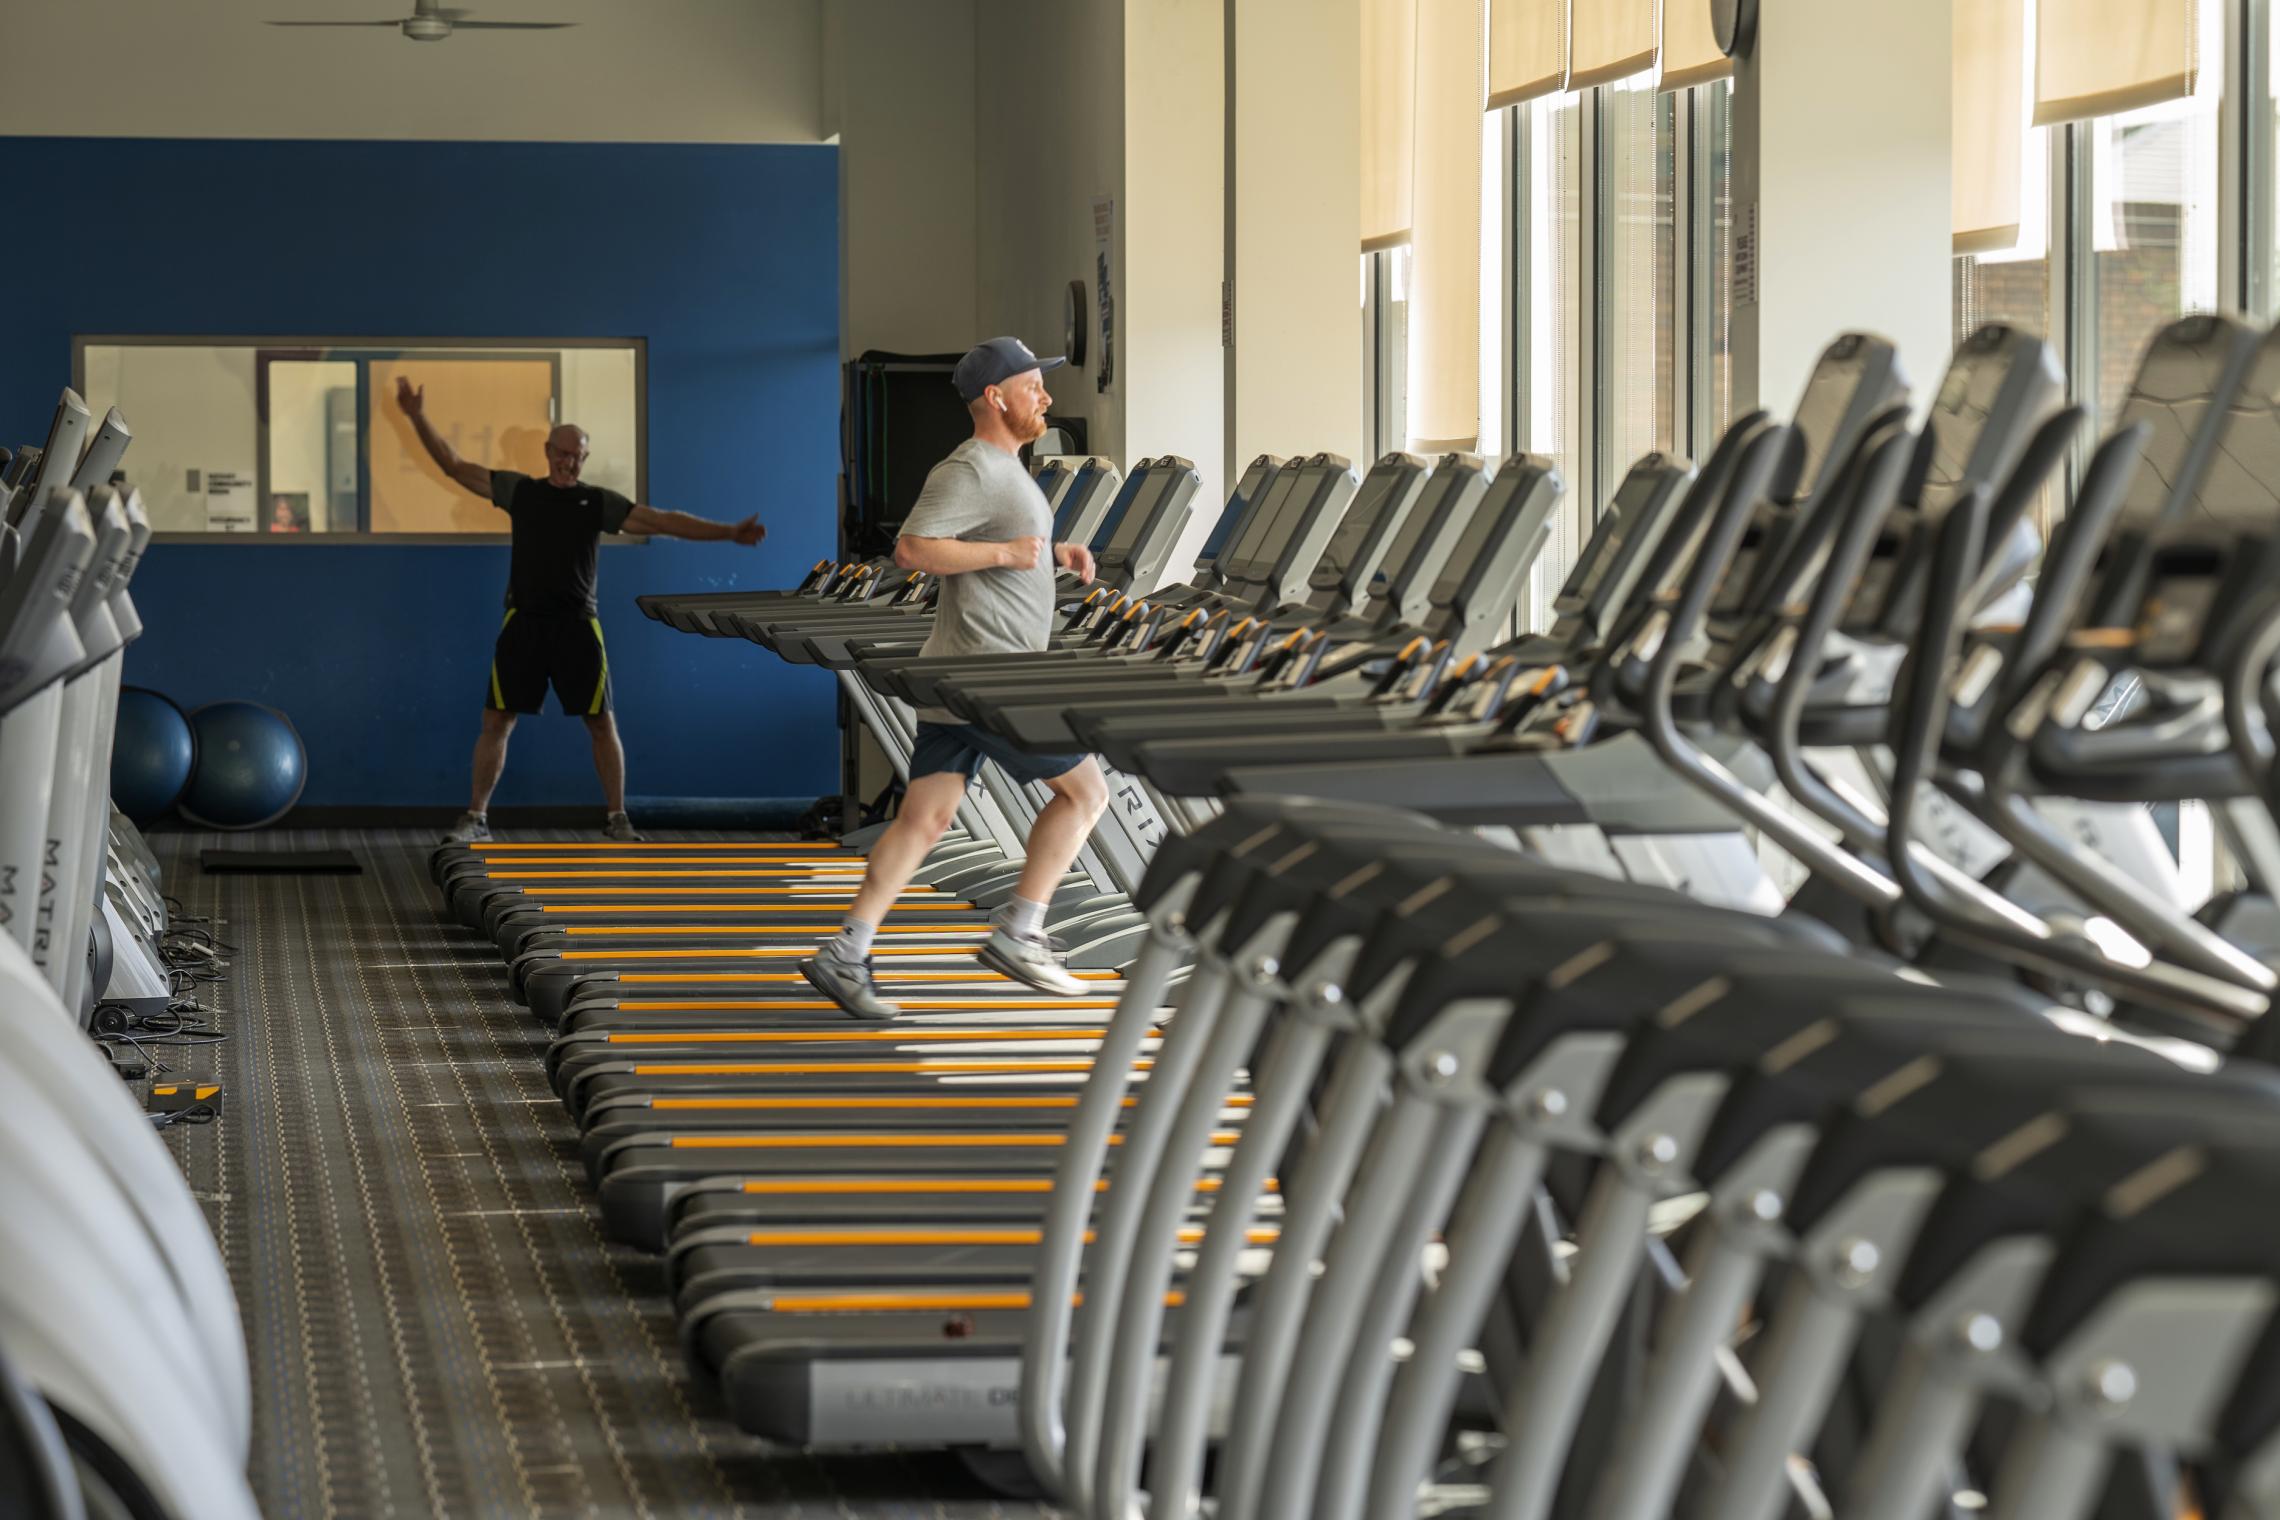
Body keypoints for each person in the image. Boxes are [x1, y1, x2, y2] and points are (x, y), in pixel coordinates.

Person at [801, 337, 1109, 1015]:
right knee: (1087, 794)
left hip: (962, 670)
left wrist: (1052, 554)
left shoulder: (1008, 469)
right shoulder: (969, 467)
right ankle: (1021, 930)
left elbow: (1002, 549)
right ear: (996, 398)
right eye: (1033, 387)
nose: (1047, 398)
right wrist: (1005, 550)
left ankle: (846, 953)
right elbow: (911, 548)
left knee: (926, 817)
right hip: (988, 675)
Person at [394, 376, 766, 843]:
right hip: (524, 623)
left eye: (578, 455)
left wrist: (728, 531)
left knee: (600, 722)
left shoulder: (596, 503)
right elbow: (453, 466)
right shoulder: (520, 492)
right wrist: (415, 415)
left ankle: (616, 819)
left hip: (577, 627)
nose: (569, 462)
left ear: (584, 458)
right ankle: (476, 818)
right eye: (563, 453)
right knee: (496, 721)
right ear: (548, 451)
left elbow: (661, 520)